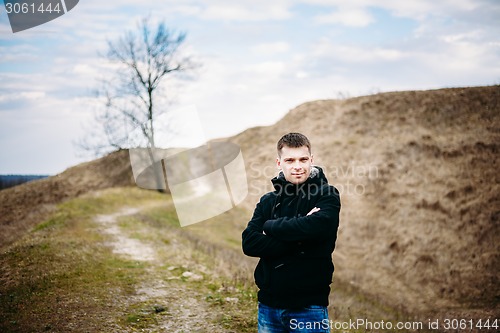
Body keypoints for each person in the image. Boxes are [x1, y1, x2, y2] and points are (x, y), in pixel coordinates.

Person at [242, 132, 341, 333]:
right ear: (279, 163)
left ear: (311, 161)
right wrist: (301, 234)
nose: (297, 166)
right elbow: (249, 243)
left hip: (309, 308)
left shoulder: (327, 195)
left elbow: (318, 228)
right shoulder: (267, 201)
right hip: (268, 307)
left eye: (303, 159)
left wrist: (269, 227)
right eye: (290, 160)